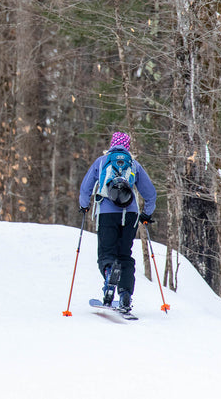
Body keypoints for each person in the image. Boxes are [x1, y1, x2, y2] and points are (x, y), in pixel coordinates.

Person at [79, 132, 156, 311]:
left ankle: (109, 279)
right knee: (125, 255)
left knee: (107, 253)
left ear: (112, 144)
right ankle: (125, 295)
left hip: (107, 213)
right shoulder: (134, 165)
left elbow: (85, 188)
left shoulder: (101, 162)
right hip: (130, 215)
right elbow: (150, 194)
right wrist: (146, 214)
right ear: (127, 146)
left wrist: (84, 207)